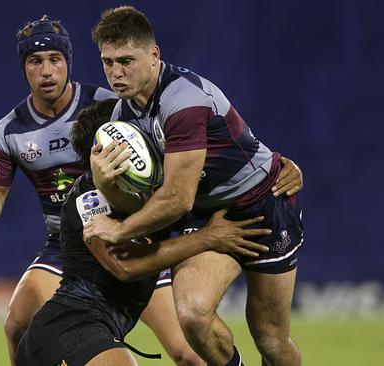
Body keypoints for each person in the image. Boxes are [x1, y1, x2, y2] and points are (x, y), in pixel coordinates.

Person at [0, 15, 205, 366]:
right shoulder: (9, 131)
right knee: (16, 323)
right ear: (24, 68)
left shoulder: (108, 105)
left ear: (67, 63)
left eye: (54, 60)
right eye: (35, 61)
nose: (46, 71)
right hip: (67, 248)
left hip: (129, 236)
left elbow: (168, 153)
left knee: (185, 351)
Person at [84, 6, 304, 366]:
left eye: (126, 60)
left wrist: (120, 231)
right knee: (192, 314)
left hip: (264, 202)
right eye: (107, 62)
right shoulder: (121, 116)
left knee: (270, 337)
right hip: (206, 213)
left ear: (154, 55)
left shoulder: (183, 100)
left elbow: (176, 199)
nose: (115, 73)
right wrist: (105, 185)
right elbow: (139, 202)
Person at [15, 99, 272, 366]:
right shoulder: (88, 198)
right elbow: (125, 265)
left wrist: (276, 169)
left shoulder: (153, 191)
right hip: (69, 329)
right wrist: (208, 237)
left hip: (92, 331)